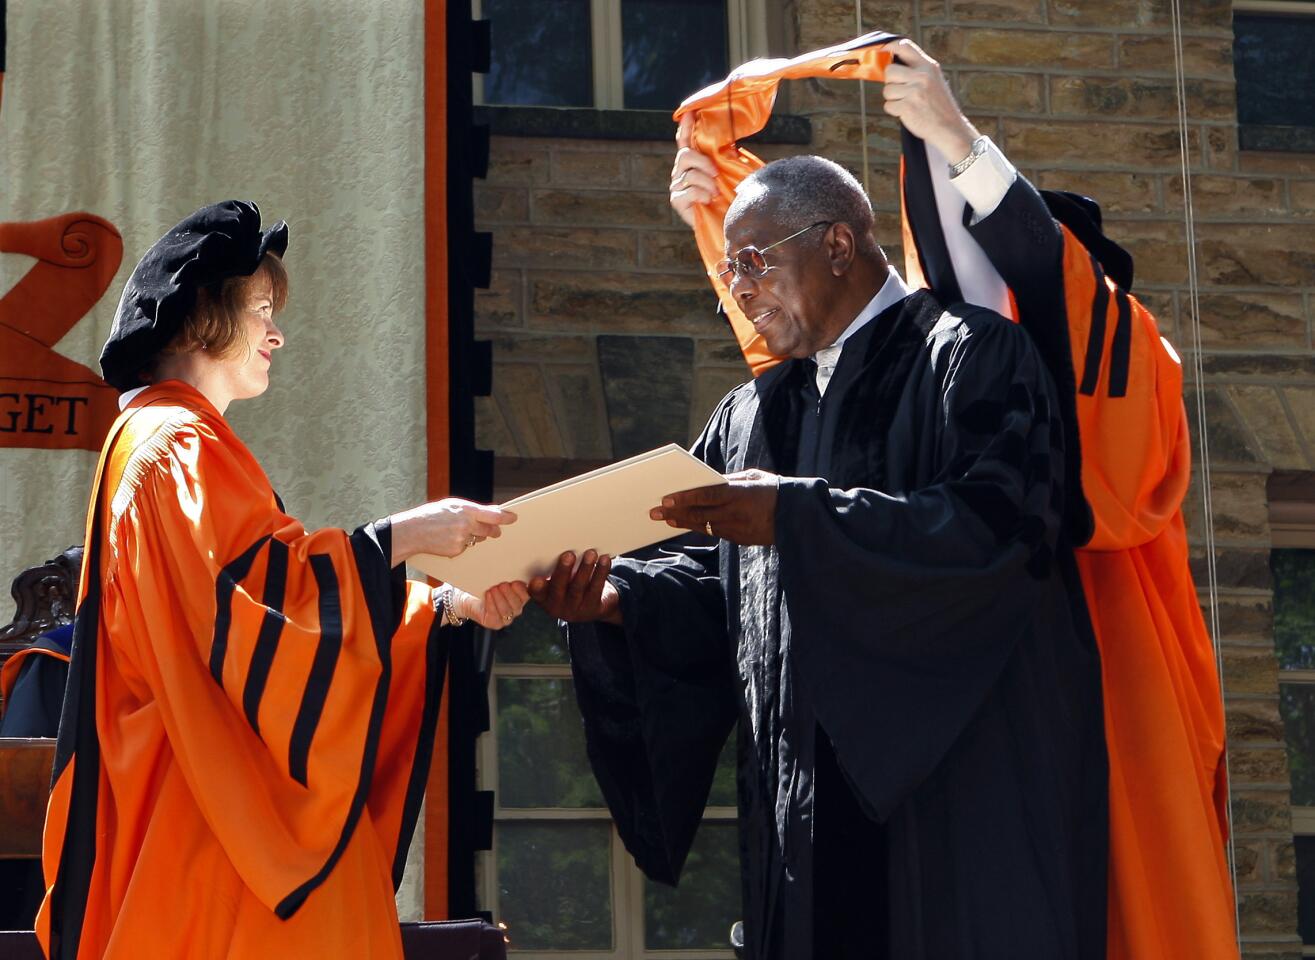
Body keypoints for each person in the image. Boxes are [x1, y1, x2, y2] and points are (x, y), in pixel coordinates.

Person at [667, 36, 1236, 960]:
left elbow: (1007, 508)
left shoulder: (1060, 357)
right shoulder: (831, 384)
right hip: (828, 807)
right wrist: (616, 596)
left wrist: (957, 141)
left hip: (1023, 747)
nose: (972, 287)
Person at [530, 154, 1108, 958]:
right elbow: (723, 588)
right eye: (729, 268)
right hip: (799, 826)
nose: (737, 286)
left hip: (949, 819)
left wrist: (798, 516)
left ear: (838, 244)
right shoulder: (749, 416)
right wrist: (617, 600)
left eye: (754, 260)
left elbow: (999, 528)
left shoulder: (971, 356)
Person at [37, 200, 530, 960]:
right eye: (260, 310)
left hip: (205, 801)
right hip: (213, 821)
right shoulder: (175, 444)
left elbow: (260, 613)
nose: (277, 333)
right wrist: (401, 538)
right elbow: (260, 602)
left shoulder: (166, 439)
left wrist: (446, 605)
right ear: (202, 316)